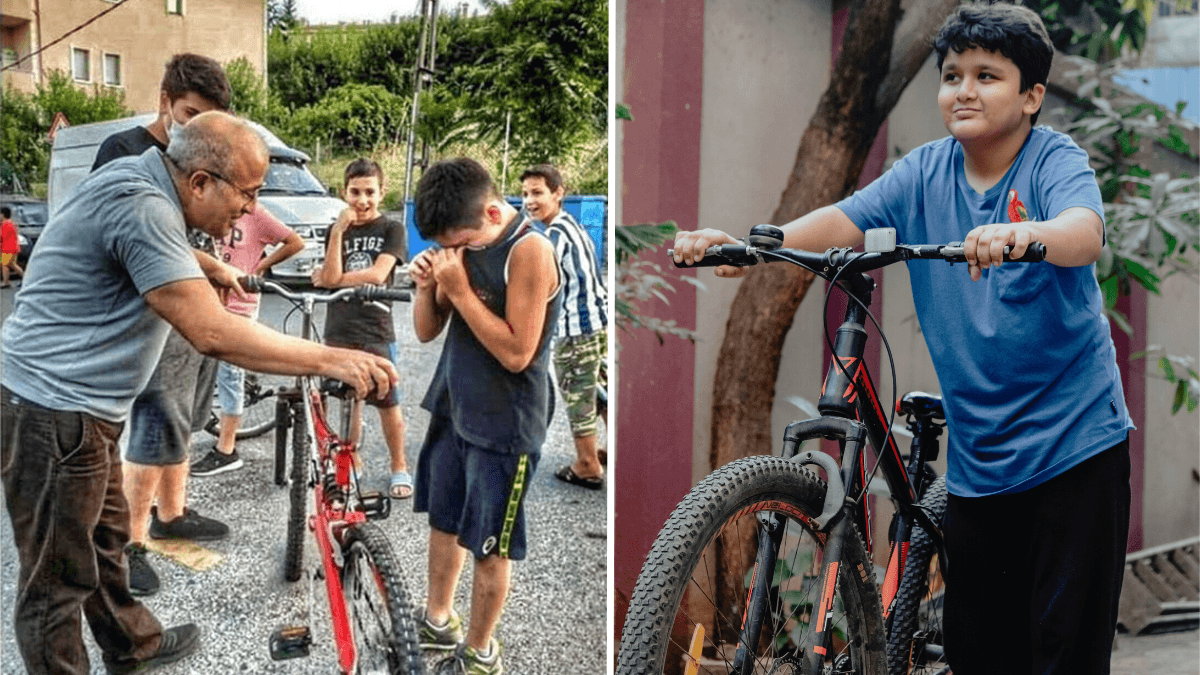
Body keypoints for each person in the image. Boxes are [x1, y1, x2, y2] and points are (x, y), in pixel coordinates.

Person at [673, 5, 1131, 674]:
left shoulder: (1050, 161)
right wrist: (751, 245)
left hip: (1075, 451)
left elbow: (1083, 231)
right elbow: (845, 218)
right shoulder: (924, 172)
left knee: (1062, 654)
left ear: (1032, 95)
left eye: (987, 76)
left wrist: (1022, 235)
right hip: (983, 466)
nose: (964, 90)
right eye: (951, 75)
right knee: (981, 656)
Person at [0, 111, 397, 675]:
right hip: (54, 413)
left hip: (82, 414)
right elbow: (212, 333)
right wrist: (333, 357)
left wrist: (207, 264)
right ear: (200, 182)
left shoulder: (144, 174)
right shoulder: (144, 204)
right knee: (55, 583)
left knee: (106, 541)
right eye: (249, 193)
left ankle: (132, 646)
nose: (251, 210)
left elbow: (153, 243)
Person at [91, 52, 235, 598]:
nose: (193, 128)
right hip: (155, 311)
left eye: (206, 120)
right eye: (188, 113)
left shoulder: (200, 156)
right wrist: (216, 266)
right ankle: (129, 542)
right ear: (164, 101)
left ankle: (172, 514)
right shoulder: (125, 152)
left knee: (186, 416)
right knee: (155, 422)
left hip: (196, 308)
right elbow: (137, 239)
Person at [409, 158, 561, 675]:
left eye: (462, 240)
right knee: (444, 521)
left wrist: (458, 289)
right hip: (454, 405)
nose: (456, 251)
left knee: (488, 547)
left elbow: (519, 352)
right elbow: (427, 332)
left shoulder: (531, 251)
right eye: (447, 244)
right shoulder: (458, 249)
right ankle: (437, 618)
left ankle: (480, 653)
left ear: (493, 211)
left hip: (505, 424)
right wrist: (427, 287)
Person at [310, 158, 411, 499]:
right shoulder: (336, 230)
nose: (362, 200)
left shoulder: (391, 229)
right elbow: (329, 274)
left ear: (382, 193)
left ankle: (399, 466)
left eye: (370, 192)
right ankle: (351, 462)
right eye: (355, 192)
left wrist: (331, 278)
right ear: (344, 192)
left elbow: (376, 274)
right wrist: (338, 231)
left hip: (375, 328)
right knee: (348, 398)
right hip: (339, 326)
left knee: (386, 401)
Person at [190, 203, 304, 476]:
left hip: (239, 304)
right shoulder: (213, 210)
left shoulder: (256, 214)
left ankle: (226, 450)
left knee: (230, 376)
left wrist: (262, 265)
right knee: (203, 371)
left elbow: (294, 242)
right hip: (207, 302)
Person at [520, 164, 607, 489]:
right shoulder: (570, 224)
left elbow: (540, 287)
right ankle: (608, 451)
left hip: (576, 329)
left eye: (537, 193)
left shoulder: (552, 237)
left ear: (558, 193)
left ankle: (587, 464)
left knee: (578, 396)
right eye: (526, 194)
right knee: (599, 390)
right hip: (597, 324)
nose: (529, 200)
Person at [0, 205, 23, 287]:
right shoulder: (11, 223)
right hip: (12, 248)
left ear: (3, 214)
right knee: (11, 265)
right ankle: (24, 280)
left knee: (7, 265)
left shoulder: (5, 224)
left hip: (8, 249)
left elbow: (1, 237)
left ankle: (6, 282)